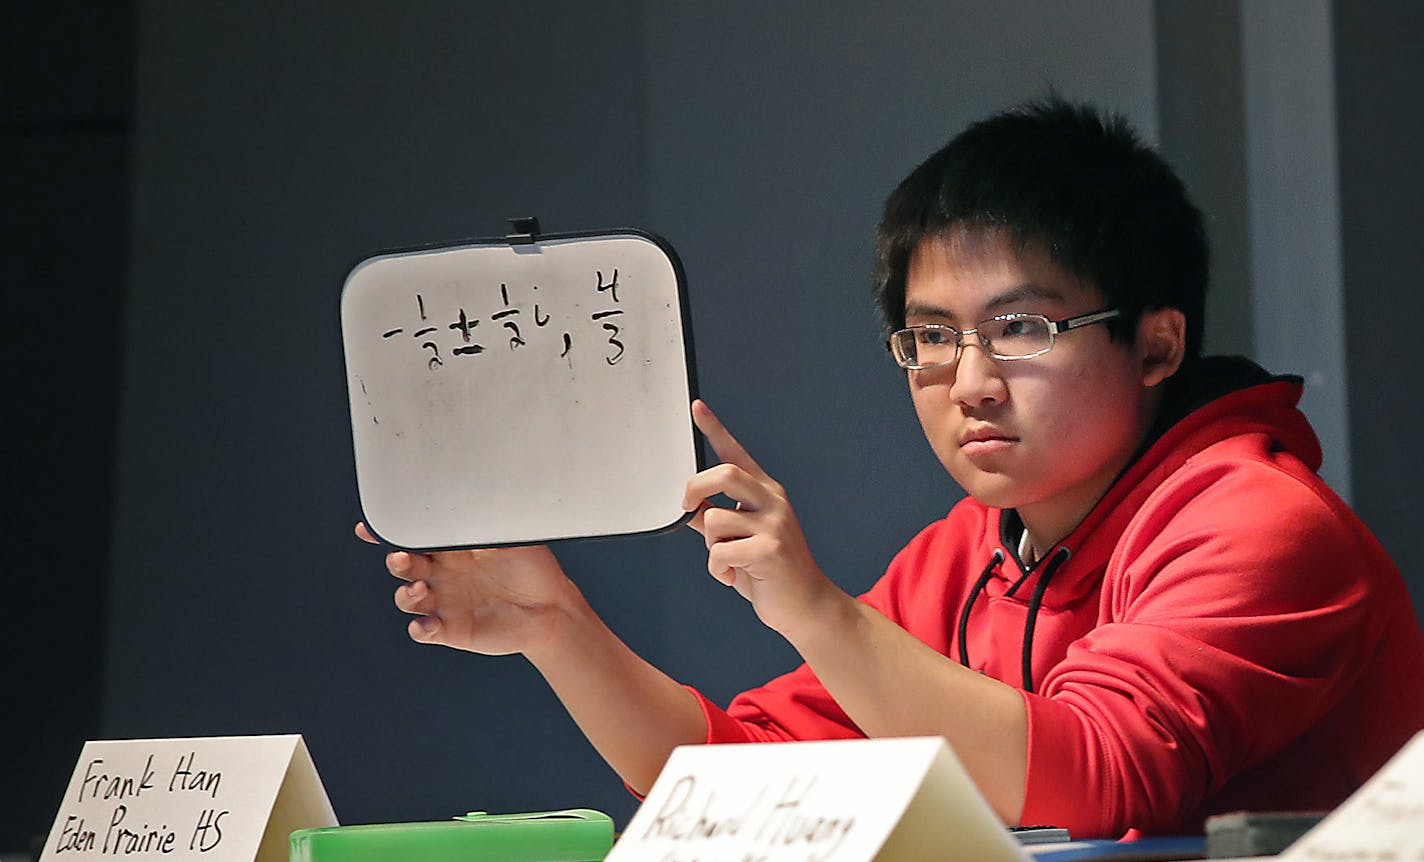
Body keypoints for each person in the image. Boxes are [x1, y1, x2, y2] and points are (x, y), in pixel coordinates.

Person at [356, 96, 1424, 838]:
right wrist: (555, 624)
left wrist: (818, 609)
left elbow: (1093, 777)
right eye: (928, 337)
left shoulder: (1257, 522)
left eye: (1021, 328)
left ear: (1153, 342)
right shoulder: (966, 554)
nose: (967, 381)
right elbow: (733, 776)